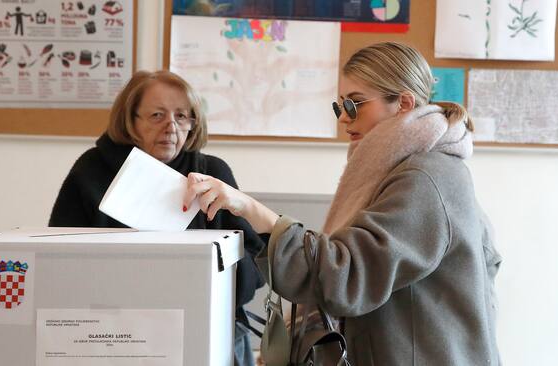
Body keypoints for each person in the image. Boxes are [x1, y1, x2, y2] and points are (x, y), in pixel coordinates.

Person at [183, 42, 502, 365]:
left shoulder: (424, 177)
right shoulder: (409, 169)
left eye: (355, 104)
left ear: (403, 103)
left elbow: (348, 276)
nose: (344, 119)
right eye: (340, 107)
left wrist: (252, 210)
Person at [49, 70, 264, 366]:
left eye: (181, 116)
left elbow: (252, 256)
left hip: (207, 331)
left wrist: (223, 285)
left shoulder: (212, 172)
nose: (171, 127)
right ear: (131, 119)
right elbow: (57, 258)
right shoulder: (91, 171)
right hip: (111, 338)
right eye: (157, 115)